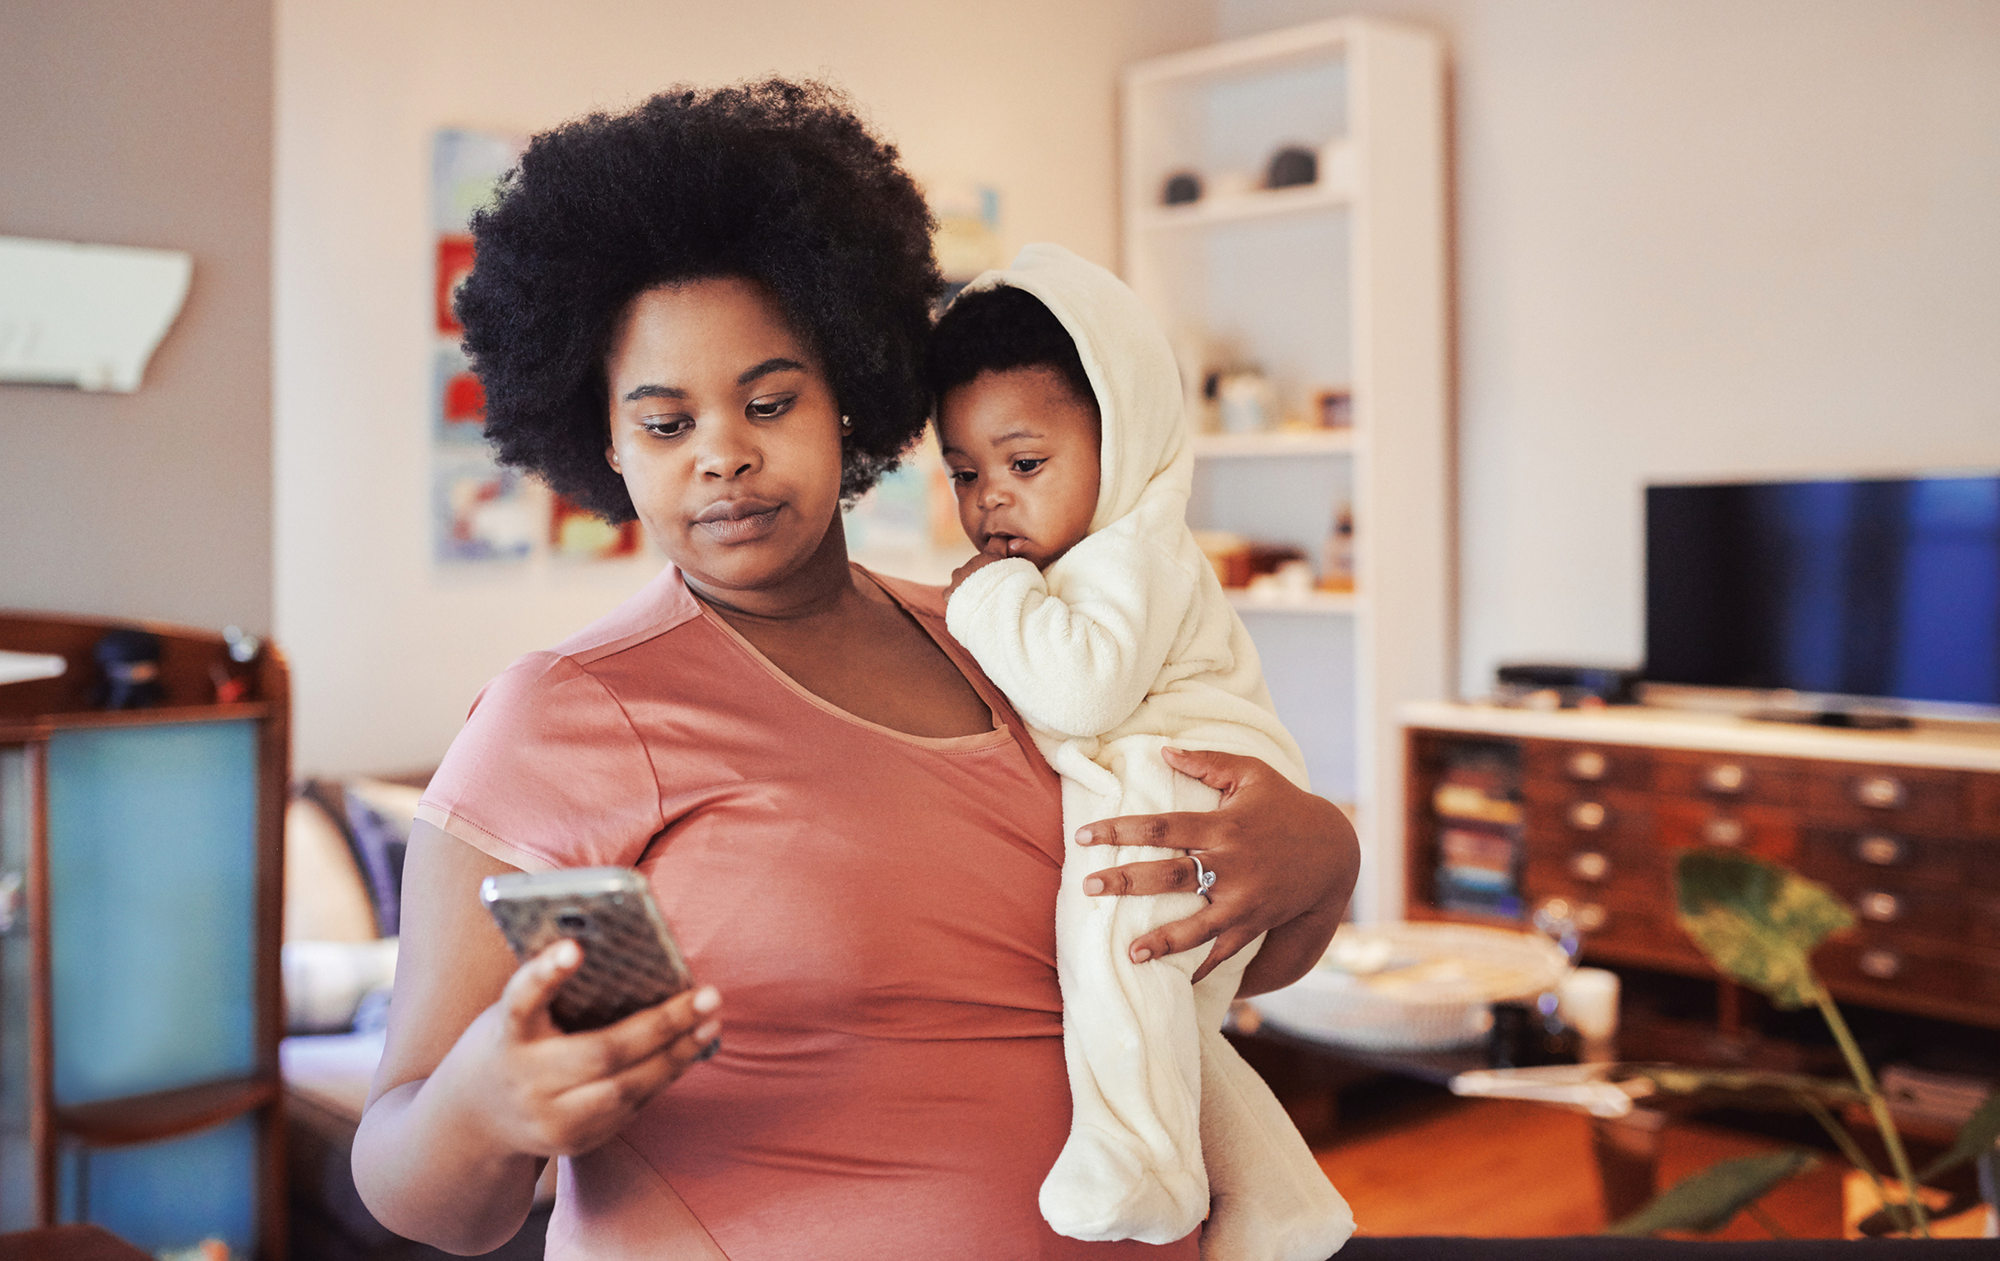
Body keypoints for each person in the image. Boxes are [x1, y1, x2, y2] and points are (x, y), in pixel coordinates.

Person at [351, 81, 1360, 1261]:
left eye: (769, 401)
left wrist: (1323, 861)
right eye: (666, 424)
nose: (724, 455)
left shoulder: (1015, 640)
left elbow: (1205, 961)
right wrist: (487, 1102)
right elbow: (420, 1193)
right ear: (604, 442)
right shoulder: (561, 714)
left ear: (851, 399)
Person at [932, 244, 1353, 1261]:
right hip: (1167, 769)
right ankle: (1281, 1198)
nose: (990, 500)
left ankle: (1140, 1162)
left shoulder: (1134, 548)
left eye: (1025, 466)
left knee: (1115, 948)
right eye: (962, 472)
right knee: (1166, 1030)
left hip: (1193, 782)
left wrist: (982, 595)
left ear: (1119, 444)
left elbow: (1079, 686)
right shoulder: (1086, 556)